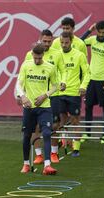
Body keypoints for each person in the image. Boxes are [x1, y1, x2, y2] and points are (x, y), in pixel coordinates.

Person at [24, 29, 66, 164]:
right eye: (44, 41)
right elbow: (24, 75)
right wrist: (22, 95)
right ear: (40, 39)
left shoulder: (57, 54)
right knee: (35, 126)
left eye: (49, 41)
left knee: (54, 125)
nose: (47, 44)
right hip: (35, 96)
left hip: (53, 95)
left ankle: (54, 152)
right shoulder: (30, 55)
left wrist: (63, 81)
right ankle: (38, 155)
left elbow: (63, 70)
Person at [17, 43, 58, 175]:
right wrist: (23, 96)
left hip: (44, 107)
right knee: (27, 135)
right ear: (32, 55)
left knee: (46, 133)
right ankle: (26, 164)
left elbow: (55, 86)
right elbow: (19, 84)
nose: (37, 60)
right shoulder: (26, 65)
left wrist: (45, 95)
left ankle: (47, 165)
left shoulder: (50, 68)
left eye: (39, 58)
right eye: (35, 58)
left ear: (43, 55)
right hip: (29, 107)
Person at [81, 20, 104, 143]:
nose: (102, 35)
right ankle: (87, 133)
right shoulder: (92, 39)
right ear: (96, 30)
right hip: (91, 80)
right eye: (100, 32)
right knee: (88, 107)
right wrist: (89, 30)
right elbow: (78, 42)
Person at [58, 32, 90, 156]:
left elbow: (87, 73)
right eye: (62, 42)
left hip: (74, 93)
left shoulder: (79, 55)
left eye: (66, 42)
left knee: (75, 120)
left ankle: (76, 148)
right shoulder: (57, 55)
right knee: (62, 119)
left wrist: (83, 86)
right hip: (60, 93)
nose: (64, 45)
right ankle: (64, 141)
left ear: (71, 42)